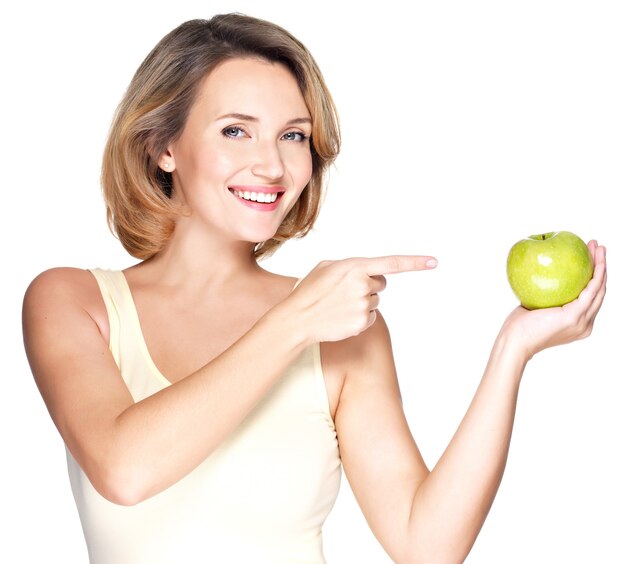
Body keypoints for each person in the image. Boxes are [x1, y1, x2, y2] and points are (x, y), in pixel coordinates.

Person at [22, 13, 607, 564]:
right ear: (163, 146)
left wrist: (512, 350)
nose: (273, 166)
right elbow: (125, 469)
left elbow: (425, 544)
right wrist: (294, 320)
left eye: (294, 136)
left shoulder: (341, 325)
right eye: (235, 131)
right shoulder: (73, 302)